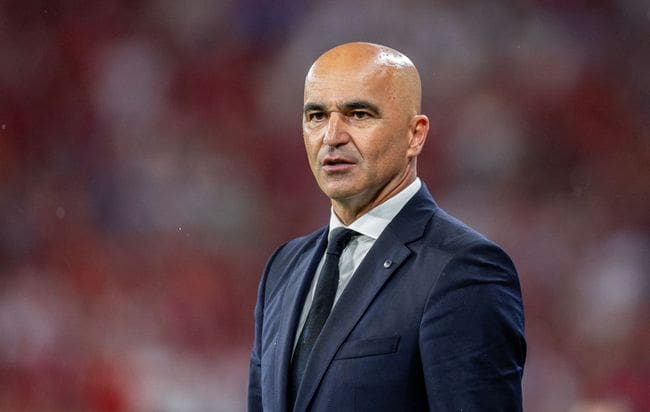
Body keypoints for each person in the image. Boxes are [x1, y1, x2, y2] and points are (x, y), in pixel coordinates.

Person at [248, 42, 526, 411]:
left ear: (415, 135)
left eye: (358, 114)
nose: (331, 136)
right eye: (316, 116)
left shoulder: (463, 270)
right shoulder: (283, 268)